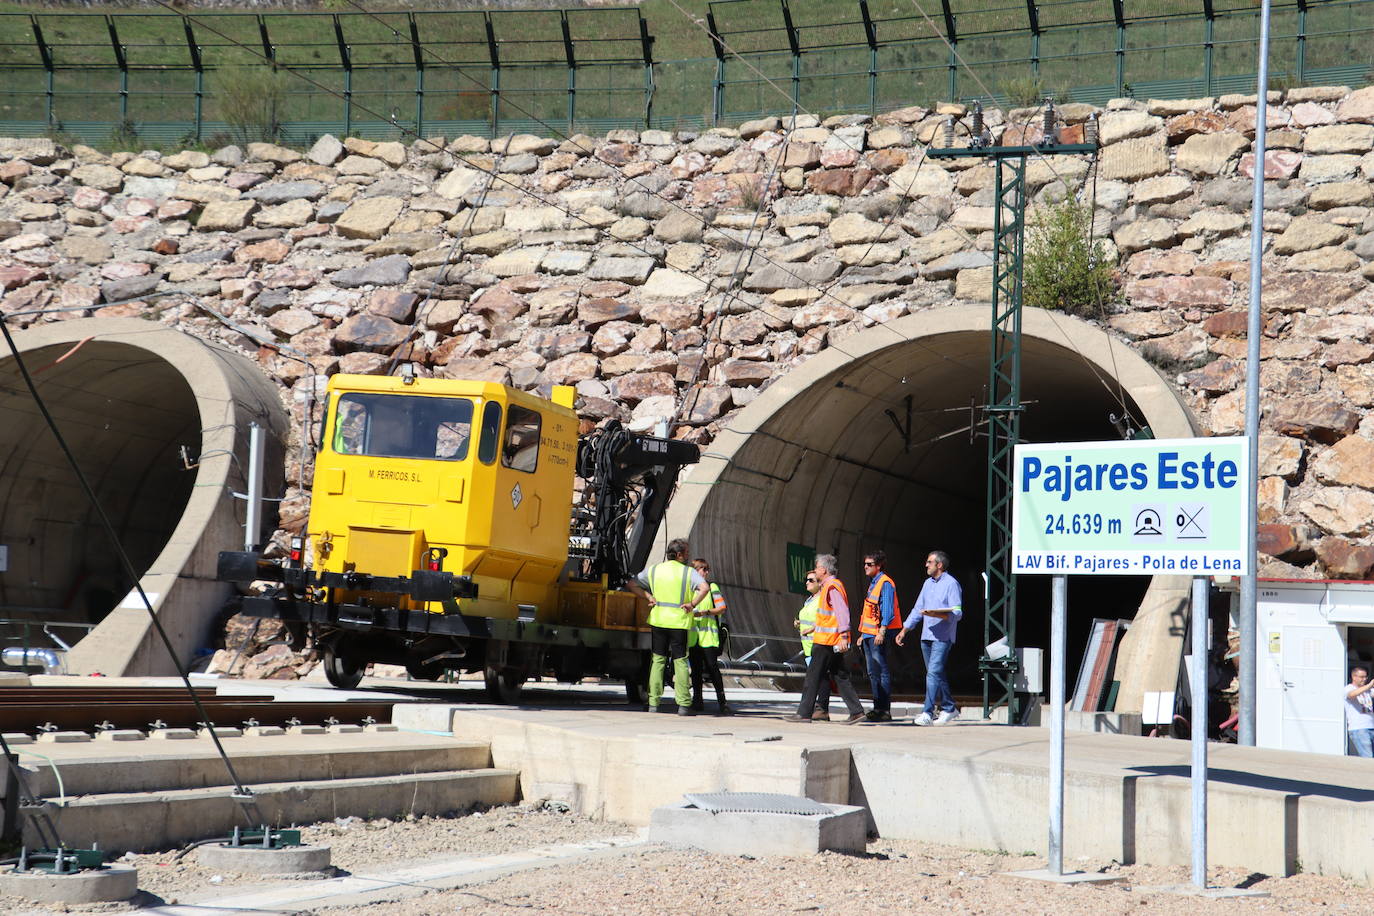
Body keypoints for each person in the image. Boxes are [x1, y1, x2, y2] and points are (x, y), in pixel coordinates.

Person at [626, 538, 710, 716]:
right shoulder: (688, 572)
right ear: (679, 554)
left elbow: (632, 584)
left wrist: (648, 596)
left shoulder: (655, 569)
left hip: (659, 621)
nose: (688, 556)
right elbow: (704, 588)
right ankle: (683, 704)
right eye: (686, 553)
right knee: (680, 662)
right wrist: (692, 604)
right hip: (679, 622)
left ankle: (653, 702)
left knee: (658, 661)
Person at [786, 554, 865, 724]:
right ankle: (857, 711)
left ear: (823, 569)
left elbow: (842, 612)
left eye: (816, 568)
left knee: (813, 676)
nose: (815, 571)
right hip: (829, 640)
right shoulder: (830, 586)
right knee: (839, 675)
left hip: (826, 641)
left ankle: (804, 713)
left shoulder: (832, 587)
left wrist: (844, 636)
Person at [896, 550, 962, 726]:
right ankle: (949, 708)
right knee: (935, 673)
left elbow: (957, 612)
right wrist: (905, 629)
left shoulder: (952, 584)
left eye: (929, 562)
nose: (926, 565)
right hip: (926, 636)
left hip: (942, 637)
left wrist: (938, 615)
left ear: (939, 565)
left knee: (933, 673)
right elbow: (918, 608)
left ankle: (927, 712)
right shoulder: (927, 584)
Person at [858, 551, 901, 722]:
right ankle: (877, 708)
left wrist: (882, 631)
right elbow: (869, 611)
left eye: (869, 564)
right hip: (869, 634)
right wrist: (862, 634)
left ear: (879, 566)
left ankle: (884, 709)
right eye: (865, 564)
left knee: (881, 670)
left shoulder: (885, 583)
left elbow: (888, 610)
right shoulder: (873, 583)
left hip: (878, 634)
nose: (865, 567)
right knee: (872, 671)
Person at [688, 558, 733, 716]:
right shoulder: (690, 588)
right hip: (694, 637)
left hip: (708, 637)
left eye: (707, 569)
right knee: (695, 671)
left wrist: (705, 612)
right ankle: (697, 701)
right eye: (703, 569)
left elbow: (722, 608)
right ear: (695, 571)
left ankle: (723, 702)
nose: (706, 572)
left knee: (713, 669)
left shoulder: (712, 587)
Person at [794, 569, 829, 720]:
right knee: (819, 678)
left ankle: (820, 708)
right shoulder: (809, 600)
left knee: (821, 678)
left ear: (819, 583)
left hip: (818, 643)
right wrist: (799, 624)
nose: (807, 583)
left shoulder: (822, 600)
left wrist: (812, 628)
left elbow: (825, 619)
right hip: (808, 646)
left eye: (811, 580)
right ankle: (818, 708)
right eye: (806, 580)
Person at [1346, 664, 1374, 757]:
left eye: (1366, 677)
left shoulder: (1368, 690)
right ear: (1354, 677)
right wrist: (1369, 685)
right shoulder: (1348, 688)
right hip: (1359, 728)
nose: (1364, 679)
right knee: (1368, 756)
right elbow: (1352, 695)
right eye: (1361, 677)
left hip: (1371, 726)